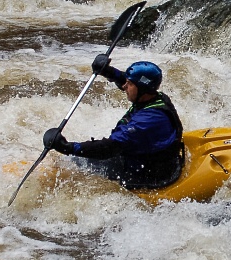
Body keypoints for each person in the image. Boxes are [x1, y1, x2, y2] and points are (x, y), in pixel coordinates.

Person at [43, 55, 184, 190]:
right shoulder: (154, 96)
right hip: (144, 157)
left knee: (73, 166)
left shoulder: (147, 121)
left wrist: (67, 147)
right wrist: (107, 71)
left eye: (129, 84)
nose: (124, 86)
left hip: (146, 173)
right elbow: (124, 80)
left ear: (142, 89)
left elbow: (110, 148)